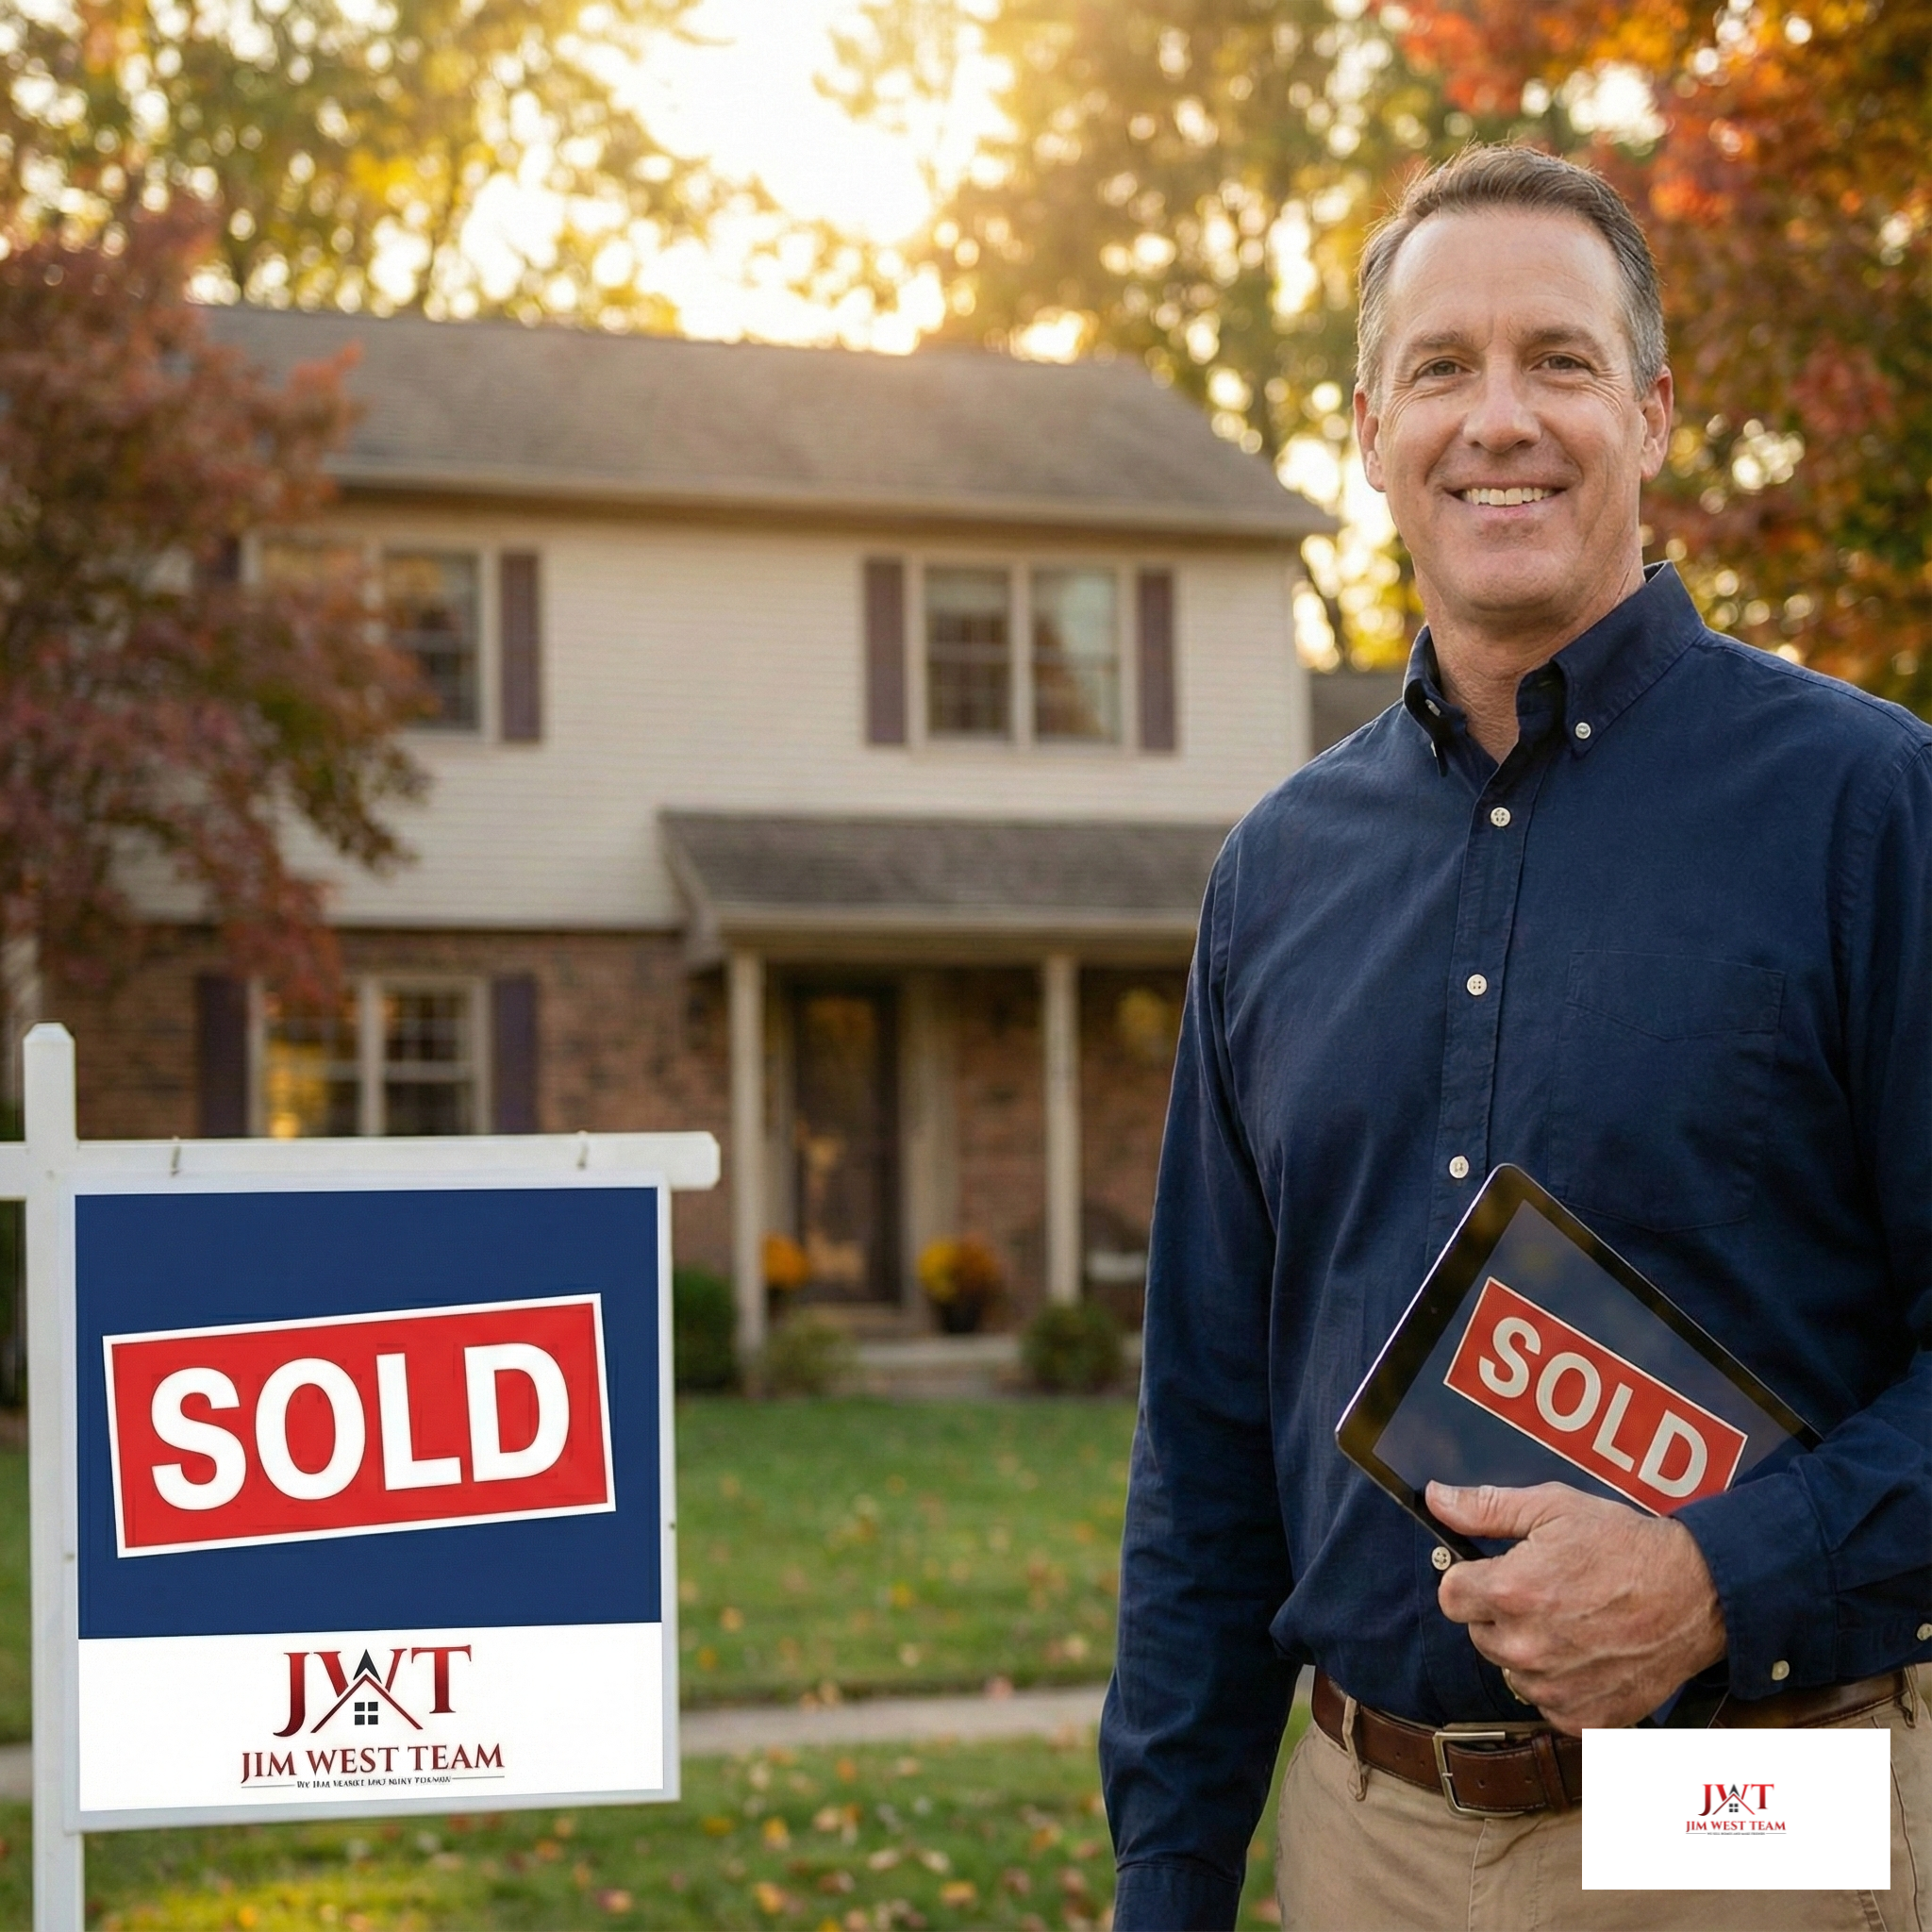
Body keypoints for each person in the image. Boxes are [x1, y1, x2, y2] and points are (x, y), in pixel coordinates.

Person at [1100, 142, 1932, 1932]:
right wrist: (1170, 1878)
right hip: (1364, 1838)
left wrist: (1720, 1576)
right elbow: (1206, 1437)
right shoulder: (1273, 879)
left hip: (1749, 1812)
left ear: (1649, 413)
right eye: (1443, 368)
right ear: (1369, 424)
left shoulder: (1872, 812)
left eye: (1557, 362)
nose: (1501, 420)